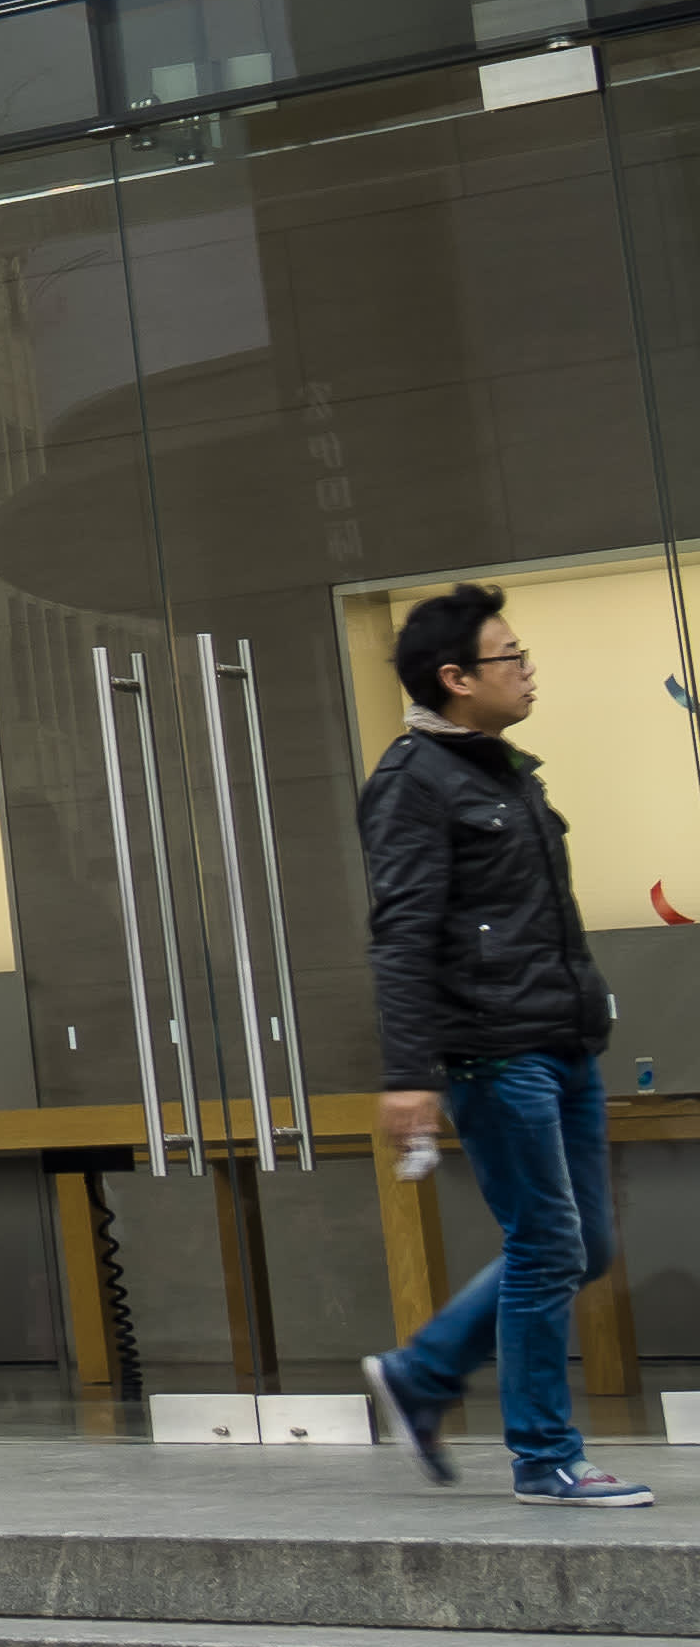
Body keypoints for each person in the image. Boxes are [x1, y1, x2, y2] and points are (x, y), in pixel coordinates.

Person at [360, 584, 648, 1506]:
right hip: (495, 1051)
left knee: (582, 1245)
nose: (527, 671)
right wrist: (409, 1073)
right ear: (456, 678)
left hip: (562, 1043)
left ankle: (421, 1372)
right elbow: (402, 934)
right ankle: (544, 1456)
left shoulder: (508, 770)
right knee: (545, 1244)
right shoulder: (412, 784)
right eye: (510, 657)